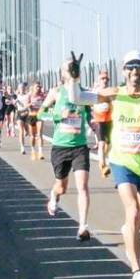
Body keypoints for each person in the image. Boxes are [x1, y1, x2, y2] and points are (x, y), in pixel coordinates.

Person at [88, 52, 140, 279]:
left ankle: (130, 234)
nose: (134, 73)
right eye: (130, 69)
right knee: (131, 211)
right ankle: (136, 271)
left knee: (139, 216)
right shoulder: (115, 93)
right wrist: (72, 77)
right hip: (122, 161)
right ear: (124, 72)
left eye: (139, 68)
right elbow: (80, 97)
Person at [40, 55, 97, 242]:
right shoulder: (56, 92)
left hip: (80, 146)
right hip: (61, 146)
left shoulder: (83, 93)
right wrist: (58, 114)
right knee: (62, 187)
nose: (72, 71)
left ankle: (83, 226)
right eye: (69, 68)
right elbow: (41, 113)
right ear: (63, 73)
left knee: (83, 186)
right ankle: (54, 196)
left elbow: (88, 114)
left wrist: (94, 125)